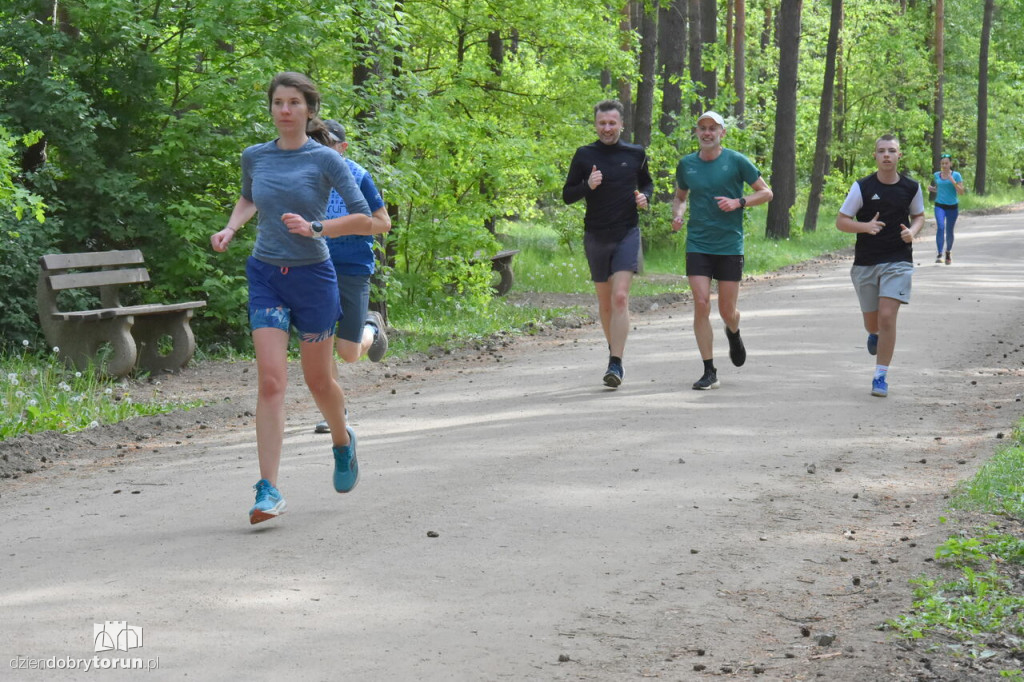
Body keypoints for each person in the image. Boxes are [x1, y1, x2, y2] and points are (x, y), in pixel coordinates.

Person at [210, 72, 375, 524]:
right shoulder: (255, 156)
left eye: (294, 103)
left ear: (308, 110)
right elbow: (248, 198)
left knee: (319, 381)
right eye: (278, 102)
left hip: (314, 277)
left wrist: (317, 227)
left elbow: (366, 217)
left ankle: (342, 441)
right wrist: (231, 227)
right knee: (270, 381)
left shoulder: (325, 160)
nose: (284, 110)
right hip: (266, 273)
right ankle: (268, 490)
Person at [671, 111, 773, 391]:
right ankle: (709, 370)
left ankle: (734, 330)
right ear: (697, 132)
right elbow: (680, 197)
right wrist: (678, 214)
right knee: (701, 303)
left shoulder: (736, 161)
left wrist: (738, 202)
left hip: (729, 244)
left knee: (727, 310)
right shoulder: (687, 165)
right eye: (702, 128)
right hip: (698, 243)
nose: (707, 133)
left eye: (712, 129)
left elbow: (766, 192)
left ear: (722, 133)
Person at [562, 99, 653, 388]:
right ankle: (613, 354)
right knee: (604, 303)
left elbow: (647, 183)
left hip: (627, 232)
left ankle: (616, 362)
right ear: (596, 125)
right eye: (602, 123)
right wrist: (587, 186)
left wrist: (645, 197)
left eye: (612, 123)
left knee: (620, 298)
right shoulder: (584, 155)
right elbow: (567, 195)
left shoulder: (635, 153)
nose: (607, 128)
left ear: (621, 124)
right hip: (596, 235)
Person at [312, 120, 393, 434]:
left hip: (353, 266)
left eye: (327, 143)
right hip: (314, 266)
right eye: (314, 141)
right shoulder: (304, 178)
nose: (320, 149)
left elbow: (383, 223)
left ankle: (371, 326)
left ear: (342, 148)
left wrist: (336, 227)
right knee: (320, 339)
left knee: (347, 352)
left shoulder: (358, 176)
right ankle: (335, 412)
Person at [836, 134, 925, 398]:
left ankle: (880, 376)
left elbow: (919, 215)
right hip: (866, 263)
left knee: (888, 317)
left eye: (892, 151)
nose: (886, 155)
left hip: (898, 261)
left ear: (899, 156)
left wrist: (913, 231)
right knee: (872, 322)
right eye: (881, 151)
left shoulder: (911, 187)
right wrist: (865, 227)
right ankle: (873, 334)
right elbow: (841, 221)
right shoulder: (862, 187)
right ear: (875, 156)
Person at [927, 153, 965, 265]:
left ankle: (948, 252)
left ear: (951, 164)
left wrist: (953, 181)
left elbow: (961, 192)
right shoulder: (936, 175)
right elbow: (941, 190)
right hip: (939, 205)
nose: (944, 165)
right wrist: (932, 189)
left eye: (946, 163)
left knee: (949, 230)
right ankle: (939, 253)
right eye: (942, 163)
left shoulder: (956, 175)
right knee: (940, 227)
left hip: (952, 207)